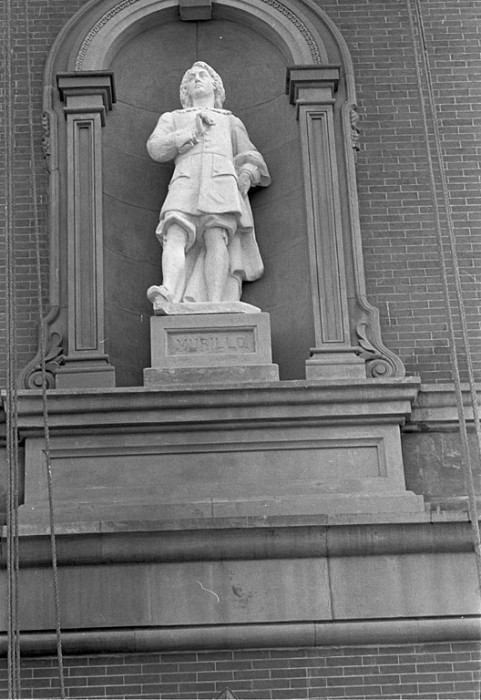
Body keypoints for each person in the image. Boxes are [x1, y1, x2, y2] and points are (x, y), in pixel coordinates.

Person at [146, 61, 270, 307]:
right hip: (186, 179)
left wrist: (246, 174)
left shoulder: (230, 120)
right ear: (186, 91)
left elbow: (251, 156)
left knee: (216, 237)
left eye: (203, 76)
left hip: (221, 180)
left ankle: (216, 301)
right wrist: (188, 132)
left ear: (216, 86)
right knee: (175, 231)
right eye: (191, 78)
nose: (197, 80)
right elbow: (155, 148)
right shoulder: (173, 118)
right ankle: (169, 289)